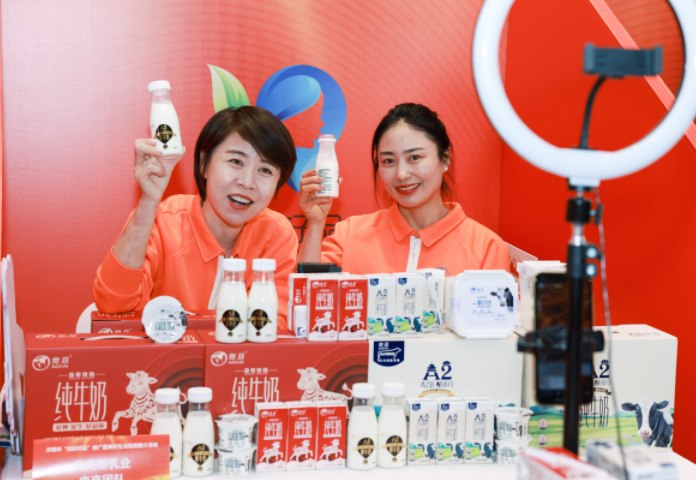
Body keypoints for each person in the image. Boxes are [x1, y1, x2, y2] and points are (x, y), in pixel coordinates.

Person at [94, 106, 298, 328]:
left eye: (265, 170)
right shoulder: (161, 221)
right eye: (236, 161)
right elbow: (112, 305)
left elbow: (274, 325)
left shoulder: (277, 234)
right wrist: (148, 201)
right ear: (203, 164)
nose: (247, 182)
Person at [297, 103, 509, 274]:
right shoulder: (349, 235)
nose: (401, 174)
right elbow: (307, 299)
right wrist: (316, 223)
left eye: (414, 157)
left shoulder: (486, 248)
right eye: (389, 161)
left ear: (444, 159)